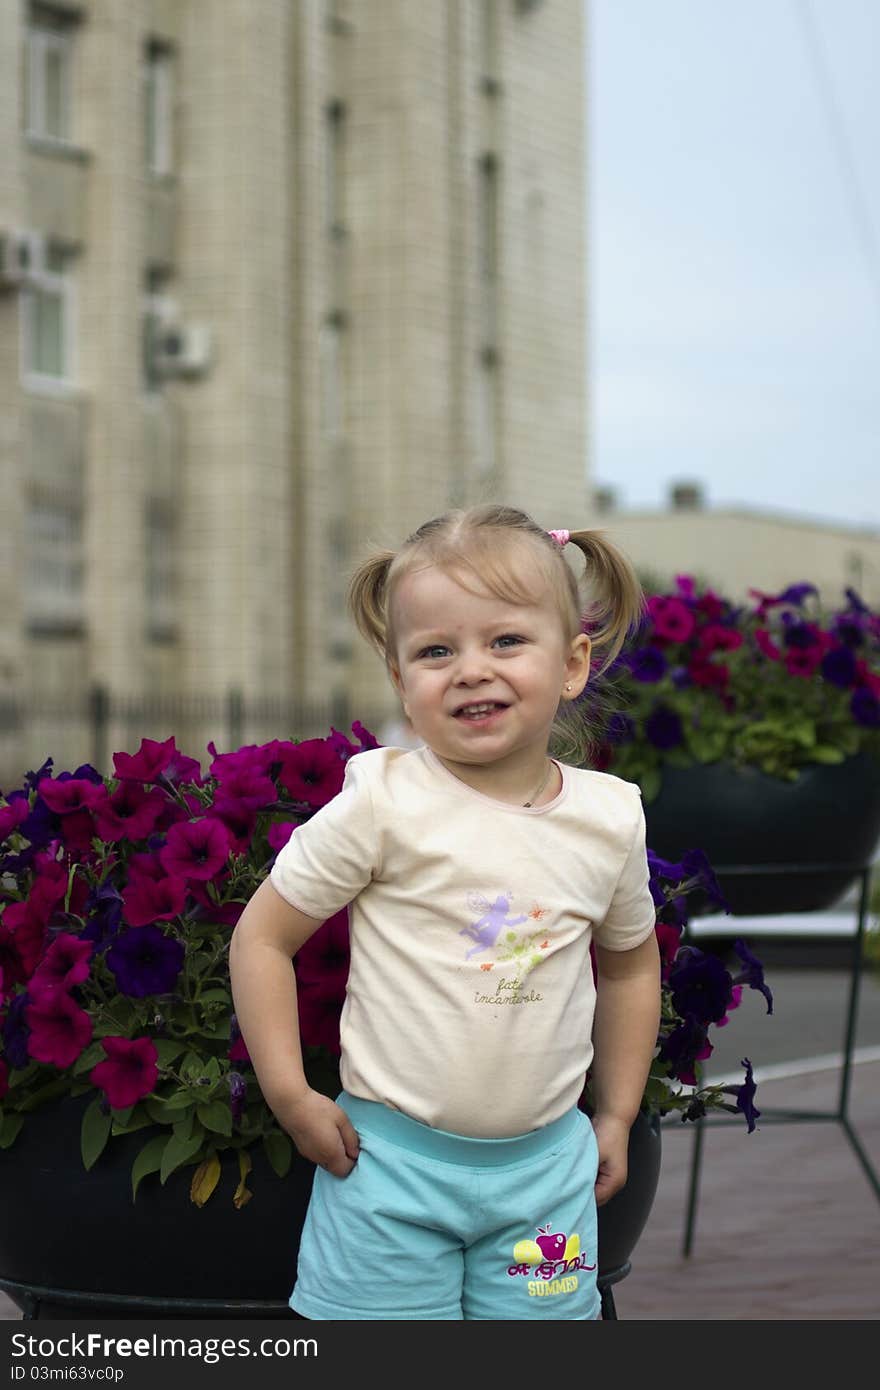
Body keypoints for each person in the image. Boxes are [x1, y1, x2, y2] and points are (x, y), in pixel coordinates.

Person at [229, 504, 661, 1321]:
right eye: (436, 650)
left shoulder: (609, 819)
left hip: (546, 1188)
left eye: (505, 641)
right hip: (388, 1173)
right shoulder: (383, 803)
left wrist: (618, 1111)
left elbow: (632, 963)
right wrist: (290, 1096)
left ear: (572, 665)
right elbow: (262, 939)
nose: (470, 669)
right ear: (400, 680)